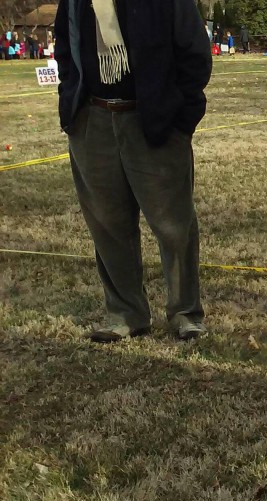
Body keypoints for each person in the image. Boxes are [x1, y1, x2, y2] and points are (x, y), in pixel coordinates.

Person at [54, 0, 212, 342]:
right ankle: (126, 313)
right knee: (107, 224)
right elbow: (65, 48)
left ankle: (185, 312)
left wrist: (181, 121)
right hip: (92, 120)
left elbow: (195, 54)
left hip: (154, 121)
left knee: (173, 225)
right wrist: (71, 107)